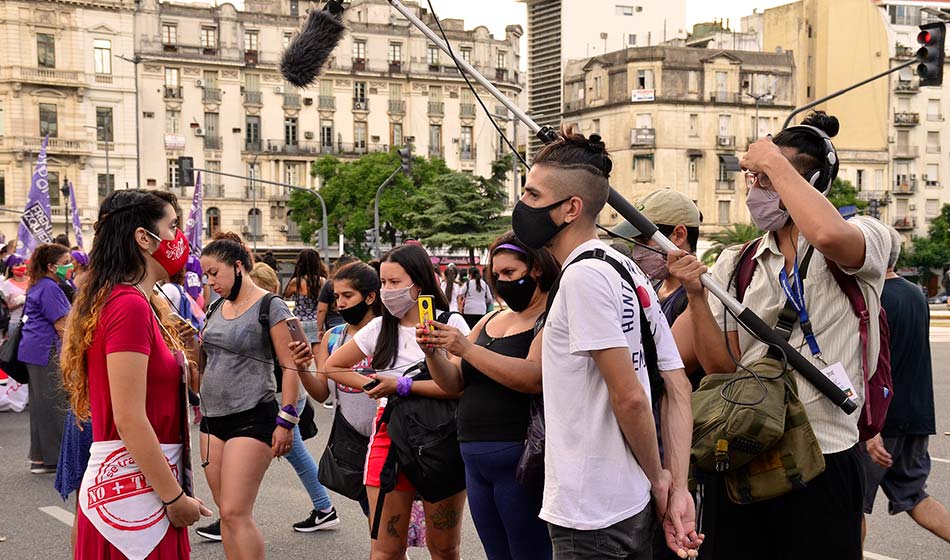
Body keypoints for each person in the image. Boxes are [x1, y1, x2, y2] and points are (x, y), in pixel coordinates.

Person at [668, 111, 890, 559]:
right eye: (754, 179)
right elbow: (721, 369)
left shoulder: (866, 236)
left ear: (808, 182)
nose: (755, 191)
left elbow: (827, 233)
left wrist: (773, 161)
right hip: (749, 455)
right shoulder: (738, 261)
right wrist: (695, 295)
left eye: (765, 180)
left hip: (825, 458)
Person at [511, 129, 699, 559]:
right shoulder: (624, 269)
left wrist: (661, 480)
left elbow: (631, 397)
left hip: (590, 511)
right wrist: (676, 485)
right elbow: (677, 386)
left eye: (533, 195)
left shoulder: (582, 277)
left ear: (571, 208)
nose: (522, 206)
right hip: (627, 505)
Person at [60, 189, 211, 559]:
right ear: (144, 238)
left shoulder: (137, 301)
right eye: (173, 227)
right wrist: (174, 498)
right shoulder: (128, 305)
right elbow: (128, 416)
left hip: (142, 486)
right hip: (134, 497)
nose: (180, 239)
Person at [324, 243, 471, 560]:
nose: (387, 291)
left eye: (395, 283)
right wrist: (375, 385)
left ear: (419, 283)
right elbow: (333, 366)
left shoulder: (452, 325)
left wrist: (401, 385)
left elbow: (459, 388)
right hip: (387, 439)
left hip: (441, 440)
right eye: (383, 283)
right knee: (385, 549)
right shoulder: (378, 328)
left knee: (444, 548)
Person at [417, 232, 559, 560]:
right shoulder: (492, 318)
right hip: (474, 456)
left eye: (509, 273)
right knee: (496, 554)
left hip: (520, 459)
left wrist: (466, 347)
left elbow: (532, 377)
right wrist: (433, 354)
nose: (501, 282)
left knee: (529, 553)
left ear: (536, 269)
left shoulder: (549, 317)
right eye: (496, 275)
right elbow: (453, 382)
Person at [196, 239, 306, 559]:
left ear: (239, 266)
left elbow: (290, 366)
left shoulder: (270, 306)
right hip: (212, 418)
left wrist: (286, 420)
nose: (210, 282)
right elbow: (209, 358)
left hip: (252, 415)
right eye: (206, 275)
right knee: (226, 515)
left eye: (215, 273)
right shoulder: (217, 306)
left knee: (234, 512)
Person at [623, 188, 704, 560]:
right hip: (649, 450)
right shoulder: (653, 290)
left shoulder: (696, 295)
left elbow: (665, 365)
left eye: (644, 239)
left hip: (679, 454)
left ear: (678, 235)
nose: (638, 249)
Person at [861, 227, 950, 545]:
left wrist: (871, 427)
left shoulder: (874, 297)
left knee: (849, 507)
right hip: (917, 417)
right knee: (915, 497)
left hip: (882, 423)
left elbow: (869, 366)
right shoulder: (915, 294)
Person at [301, 261, 383, 516]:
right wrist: (303, 368)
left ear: (370, 297)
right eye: (337, 297)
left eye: (348, 295)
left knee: (383, 523)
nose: (341, 304)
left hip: (386, 440)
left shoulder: (386, 333)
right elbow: (322, 393)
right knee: (375, 519)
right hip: (352, 445)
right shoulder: (333, 337)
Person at [20, 243, 73, 474]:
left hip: (36, 350)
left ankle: (41, 459)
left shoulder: (41, 284)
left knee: (42, 405)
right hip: (47, 350)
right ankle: (53, 458)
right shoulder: (50, 288)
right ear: (52, 266)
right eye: (65, 263)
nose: (70, 266)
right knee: (55, 405)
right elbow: (63, 326)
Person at [284, 248, 328, 346]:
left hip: (299, 323)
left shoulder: (296, 282)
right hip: (317, 322)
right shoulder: (322, 281)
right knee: (318, 353)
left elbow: (286, 295)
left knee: (301, 352)